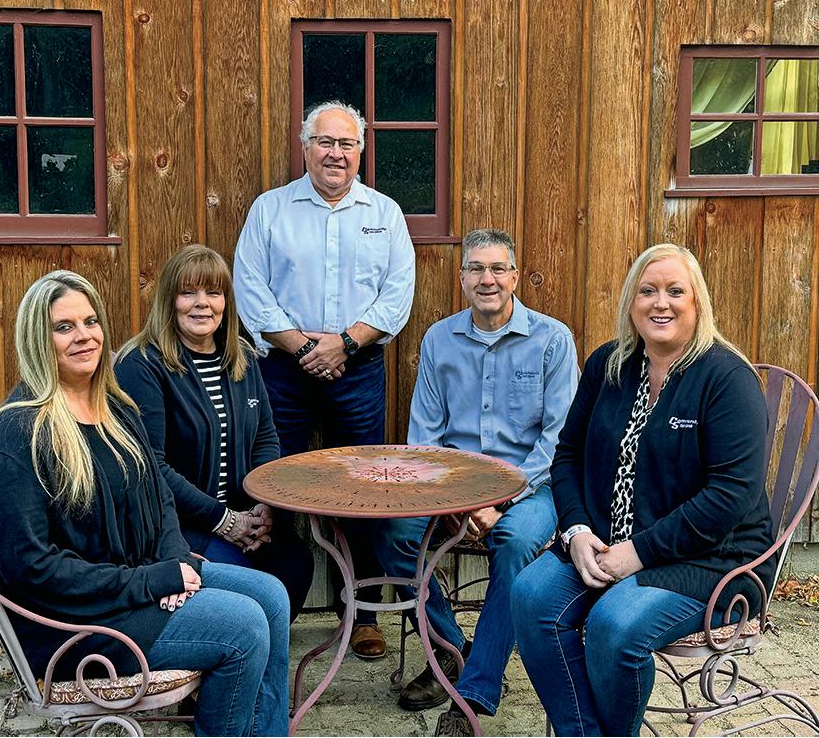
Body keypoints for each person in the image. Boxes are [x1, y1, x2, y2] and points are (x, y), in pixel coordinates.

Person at [0, 270, 290, 736]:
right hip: (78, 624)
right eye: (63, 327)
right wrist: (152, 581)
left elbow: (159, 498)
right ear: (36, 339)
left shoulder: (114, 408)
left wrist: (175, 561)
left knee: (272, 597)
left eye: (90, 322)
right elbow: (30, 567)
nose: (84, 336)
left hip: (136, 580)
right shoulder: (18, 436)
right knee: (242, 626)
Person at [511, 244, 776, 737]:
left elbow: (729, 497)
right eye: (647, 291)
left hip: (710, 559)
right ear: (631, 302)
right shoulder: (609, 365)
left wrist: (636, 554)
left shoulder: (726, 379)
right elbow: (567, 455)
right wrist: (575, 530)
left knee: (615, 625)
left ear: (697, 302)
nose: (661, 303)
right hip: (605, 543)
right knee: (530, 597)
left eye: (676, 291)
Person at [373, 229, 579, 730]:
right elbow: (424, 440)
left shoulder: (553, 340)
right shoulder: (439, 339)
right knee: (393, 532)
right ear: (462, 277)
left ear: (514, 276)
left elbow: (558, 441)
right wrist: (454, 502)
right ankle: (450, 650)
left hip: (530, 490)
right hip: (452, 491)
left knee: (515, 544)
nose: (488, 279)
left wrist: (499, 502)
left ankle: (475, 695)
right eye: (476, 269)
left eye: (497, 269)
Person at [233, 100, 416, 659]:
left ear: (361, 150)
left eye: (347, 144)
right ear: (305, 146)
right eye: (325, 142)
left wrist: (345, 343)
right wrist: (305, 347)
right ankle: (272, 608)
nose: (336, 153)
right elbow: (250, 289)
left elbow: (397, 295)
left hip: (357, 369)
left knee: (362, 490)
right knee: (276, 485)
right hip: (282, 371)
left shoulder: (385, 213)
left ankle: (361, 613)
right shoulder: (271, 209)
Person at [114, 244, 315, 621]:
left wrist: (262, 506)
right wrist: (224, 521)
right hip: (178, 528)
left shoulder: (242, 357)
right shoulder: (142, 365)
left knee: (296, 566)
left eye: (214, 292)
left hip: (244, 516)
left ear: (226, 301)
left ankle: (258, 659)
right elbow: (152, 468)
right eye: (188, 292)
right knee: (249, 589)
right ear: (169, 300)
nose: (202, 303)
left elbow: (265, 437)